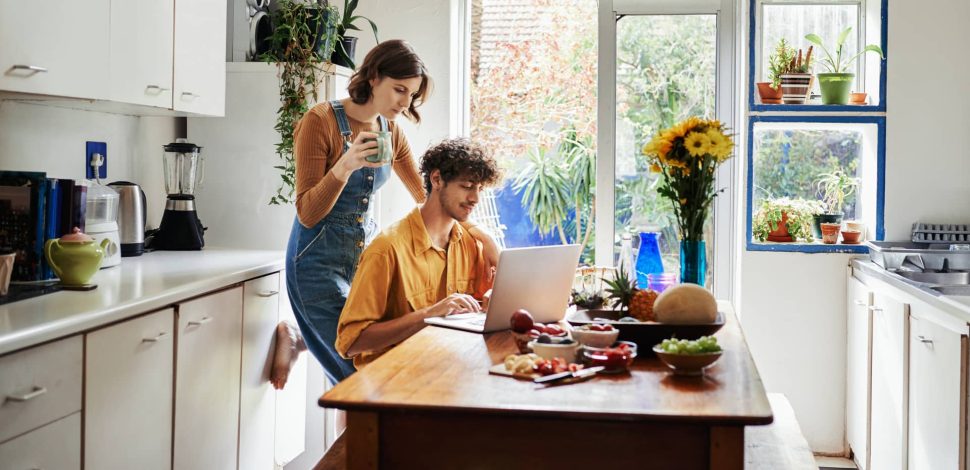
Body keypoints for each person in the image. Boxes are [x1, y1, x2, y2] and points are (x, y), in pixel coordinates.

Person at [272, 40, 499, 389]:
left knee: (375, 360)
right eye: (400, 90)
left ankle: (299, 336)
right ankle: (300, 335)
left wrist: (475, 232)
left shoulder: (389, 130)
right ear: (374, 77)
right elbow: (307, 212)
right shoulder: (320, 121)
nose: (405, 103)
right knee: (359, 378)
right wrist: (345, 165)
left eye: (411, 95)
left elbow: (431, 194)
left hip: (363, 257)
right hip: (315, 263)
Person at [335, 138, 502, 367]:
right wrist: (430, 314)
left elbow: (486, 311)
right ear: (437, 179)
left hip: (451, 369)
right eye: (467, 186)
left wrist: (495, 301)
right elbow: (351, 342)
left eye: (480, 189)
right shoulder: (387, 250)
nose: (475, 199)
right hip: (395, 382)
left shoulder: (474, 244)